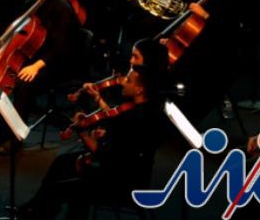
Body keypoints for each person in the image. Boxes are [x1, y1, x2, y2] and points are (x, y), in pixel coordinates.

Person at [18, 66, 163, 220]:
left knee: (57, 189)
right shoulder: (146, 110)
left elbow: (104, 155)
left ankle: (36, 213)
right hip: (128, 174)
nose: (123, 82)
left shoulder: (132, 119)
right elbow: (121, 146)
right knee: (61, 162)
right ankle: (34, 208)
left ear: (140, 90)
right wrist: (103, 136)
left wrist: (83, 133)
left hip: (118, 183)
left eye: (128, 81)